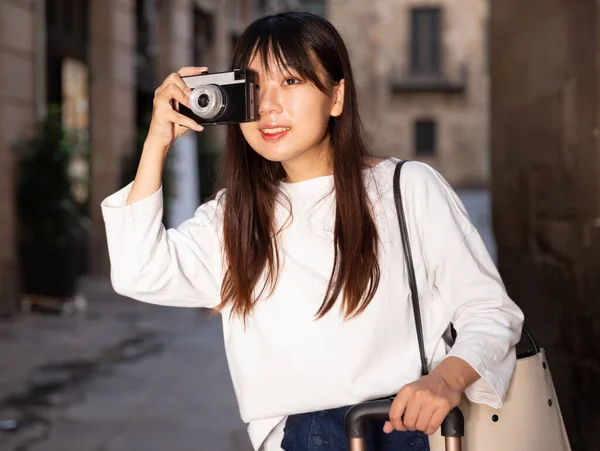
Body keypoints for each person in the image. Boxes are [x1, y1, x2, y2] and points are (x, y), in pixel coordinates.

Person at [101, 11, 524, 451]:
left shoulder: (407, 188)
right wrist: (156, 143)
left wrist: (445, 381)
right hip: (296, 440)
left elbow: (492, 313)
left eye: (291, 82)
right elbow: (138, 271)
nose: (268, 106)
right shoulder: (235, 216)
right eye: (254, 87)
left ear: (336, 96)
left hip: (403, 429)